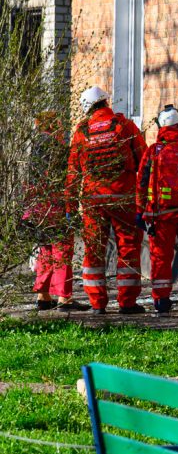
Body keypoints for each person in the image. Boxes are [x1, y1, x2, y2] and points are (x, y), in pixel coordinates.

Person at [66, 86, 148, 315]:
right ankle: (127, 303)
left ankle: (97, 304)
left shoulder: (82, 131)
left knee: (93, 250)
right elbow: (144, 162)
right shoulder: (125, 126)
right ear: (105, 102)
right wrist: (146, 200)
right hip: (124, 198)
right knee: (128, 249)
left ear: (87, 107)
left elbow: (73, 172)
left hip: (93, 201)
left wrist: (70, 205)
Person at [135, 105, 178, 316]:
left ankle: (162, 302)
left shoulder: (153, 150)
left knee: (160, 257)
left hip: (161, 214)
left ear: (160, 126)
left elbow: (142, 182)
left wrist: (140, 211)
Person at [23, 111, 86, 312]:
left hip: (38, 207)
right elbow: (67, 179)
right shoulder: (56, 148)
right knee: (61, 249)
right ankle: (64, 298)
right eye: (59, 124)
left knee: (45, 250)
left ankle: (43, 295)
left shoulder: (35, 147)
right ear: (53, 125)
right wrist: (71, 206)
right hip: (55, 206)